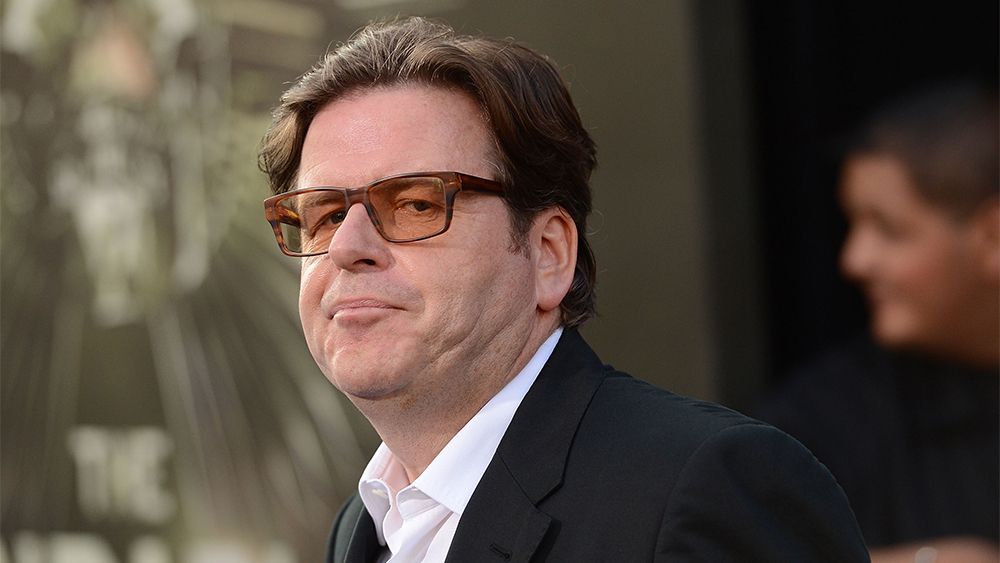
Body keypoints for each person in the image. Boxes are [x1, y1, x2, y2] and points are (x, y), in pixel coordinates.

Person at [259, 17, 868, 562]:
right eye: (324, 215)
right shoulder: (364, 525)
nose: (347, 246)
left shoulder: (705, 486)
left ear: (549, 254)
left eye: (417, 204)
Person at [758, 82, 999, 563]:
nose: (854, 260)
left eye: (890, 230)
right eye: (853, 224)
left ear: (992, 236)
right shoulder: (821, 421)